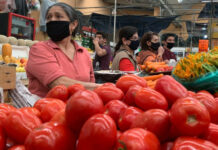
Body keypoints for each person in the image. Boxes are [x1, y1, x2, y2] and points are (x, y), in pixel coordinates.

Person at [26, 3, 98, 98]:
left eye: (58, 16)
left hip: (79, 107)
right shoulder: (39, 49)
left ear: (73, 24)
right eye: (49, 17)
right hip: (47, 109)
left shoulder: (84, 53)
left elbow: (91, 86)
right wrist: (103, 87)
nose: (52, 20)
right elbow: (58, 84)